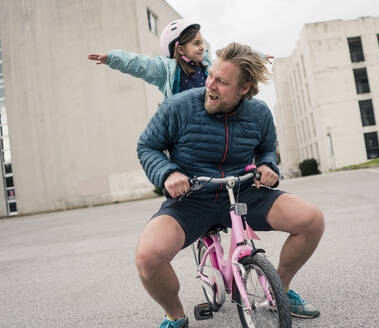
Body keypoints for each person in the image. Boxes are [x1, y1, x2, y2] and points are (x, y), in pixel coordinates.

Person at [136, 42, 325, 328]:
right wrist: (168, 174)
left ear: (244, 89)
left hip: (243, 192)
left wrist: (267, 166)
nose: (210, 84)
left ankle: (279, 293)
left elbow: (266, 149)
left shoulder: (259, 113)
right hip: (192, 198)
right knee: (148, 256)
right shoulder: (178, 107)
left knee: (311, 220)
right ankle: (175, 315)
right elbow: (148, 146)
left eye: (222, 82)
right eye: (211, 75)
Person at [88, 19, 272, 98]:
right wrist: (112, 58)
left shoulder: (208, 65)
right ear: (180, 48)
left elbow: (234, 59)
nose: (202, 47)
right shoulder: (165, 71)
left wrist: (259, 56)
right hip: (185, 125)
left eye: (202, 43)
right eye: (196, 43)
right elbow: (140, 64)